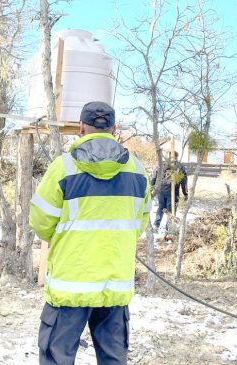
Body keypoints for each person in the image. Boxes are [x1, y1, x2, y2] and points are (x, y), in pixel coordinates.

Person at [29, 101, 151, 365]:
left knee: (56, 358)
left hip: (70, 284)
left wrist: (64, 238)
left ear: (81, 128)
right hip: (114, 284)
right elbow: (140, 222)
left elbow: (40, 221)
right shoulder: (138, 171)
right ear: (114, 128)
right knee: (113, 359)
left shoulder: (63, 168)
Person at [152, 152, 188, 229]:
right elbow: (184, 182)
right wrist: (185, 194)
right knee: (171, 210)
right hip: (172, 192)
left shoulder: (162, 164)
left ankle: (157, 224)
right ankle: (168, 226)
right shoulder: (180, 166)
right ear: (176, 157)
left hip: (162, 191)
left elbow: (154, 177)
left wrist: (153, 187)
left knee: (161, 207)